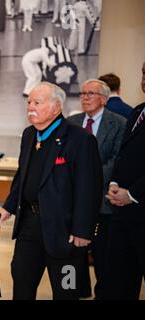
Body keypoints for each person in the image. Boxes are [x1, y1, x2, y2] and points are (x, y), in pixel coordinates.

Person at [0, 82, 103, 300]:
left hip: (65, 232)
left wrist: (83, 230)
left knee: (67, 290)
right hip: (29, 225)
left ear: (56, 108)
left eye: (37, 102)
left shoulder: (80, 140)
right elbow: (23, 175)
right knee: (22, 284)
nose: (30, 107)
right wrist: (9, 206)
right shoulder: (29, 135)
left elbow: (89, 188)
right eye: (29, 102)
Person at [68, 79, 126, 299]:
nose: (85, 97)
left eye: (90, 93)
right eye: (82, 93)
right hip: (73, 204)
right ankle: (75, 290)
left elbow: (116, 160)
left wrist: (85, 177)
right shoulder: (71, 122)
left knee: (102, 256)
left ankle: (103, 293)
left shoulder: (118, 123)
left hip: (103, 203)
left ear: (104, 98)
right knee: (73, 257)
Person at [102, 61, 145, 300]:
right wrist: (114, 183)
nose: (144, 78)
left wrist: (132, 194)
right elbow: (123, 154)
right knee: (118, 280)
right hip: (122, 213)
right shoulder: (137, 111)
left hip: (140, 207)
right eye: (143, 73)